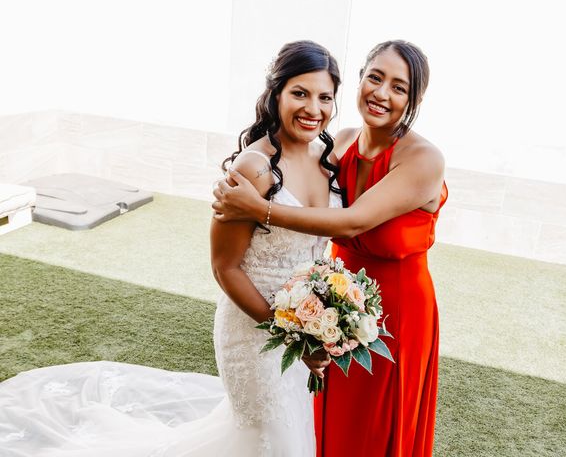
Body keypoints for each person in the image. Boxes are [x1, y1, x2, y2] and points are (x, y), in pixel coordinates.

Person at [0, 40, 340, 456]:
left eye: (325, 97)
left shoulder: (328, 159)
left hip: (301, 324)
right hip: (254, 331)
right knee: (272, 437)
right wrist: (289, 335)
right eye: (300, 93)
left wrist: (317, 322)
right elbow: (225, 268)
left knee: (289, 430)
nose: (313, 108)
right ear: (276, 95)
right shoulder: (253, 167)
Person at [213, 40, 447, 457]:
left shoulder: (424, 158)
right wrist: (307, 322)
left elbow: (354, 220)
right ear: (359, 81)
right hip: (324, 305)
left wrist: (258, 208)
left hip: (398, 310)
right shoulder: (337, 146)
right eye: (375, 78)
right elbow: (232, 255)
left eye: (399, 87)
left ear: (416, 99)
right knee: (316, 425)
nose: (381, 93)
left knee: (378, 426)